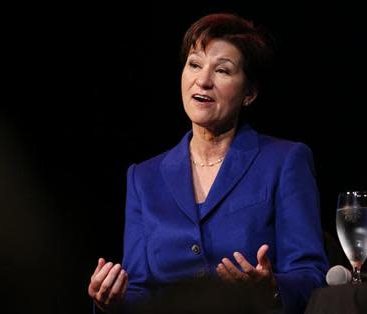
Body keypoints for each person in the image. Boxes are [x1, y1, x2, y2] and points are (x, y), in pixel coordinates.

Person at [88, 12, 328, 314]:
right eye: (194, 64)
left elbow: (310, 273)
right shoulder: (143, 177)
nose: (203, 80)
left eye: (223, 71)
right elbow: (139, 288)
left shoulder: (285, 160)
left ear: (249, 93)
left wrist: (272, 289)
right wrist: (112, 301)